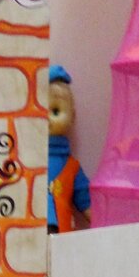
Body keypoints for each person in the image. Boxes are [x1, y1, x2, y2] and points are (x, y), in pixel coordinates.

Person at [47, 65, 91, 233]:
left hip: (62, 238)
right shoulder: (26, 160)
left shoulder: (72, 168)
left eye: (55, 111)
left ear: (73, 116)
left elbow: (86, 201)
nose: (47, 119)